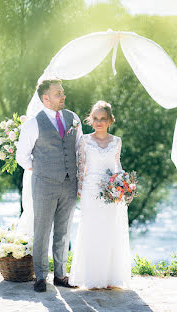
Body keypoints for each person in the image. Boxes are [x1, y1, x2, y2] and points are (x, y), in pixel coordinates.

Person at [16, 79, 82, 292]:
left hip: (69, 183)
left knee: (63, 230)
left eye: (62, 92)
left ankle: (61, 275)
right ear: (46, 98)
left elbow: (79, 148)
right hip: (44, 184)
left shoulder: (74, 118)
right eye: (58, 93)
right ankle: (41, 276)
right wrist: (41, 170)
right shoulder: (33, 123)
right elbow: (22, 157)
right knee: (42, 229)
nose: (63, 96)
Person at [69, 100, 131, 289]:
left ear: (110, 120)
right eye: (95, 118)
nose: (99, 122)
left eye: (103, 119)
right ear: (91, 120)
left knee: (109, 231)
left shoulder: (117, 141)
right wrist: (79, 190)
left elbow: (117, 165)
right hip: (90, 190)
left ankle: (110, 278)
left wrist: (123, 185)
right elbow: (80, 166)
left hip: (111, 192)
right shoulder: (85, 140)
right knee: (91, 230)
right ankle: (92, 278)